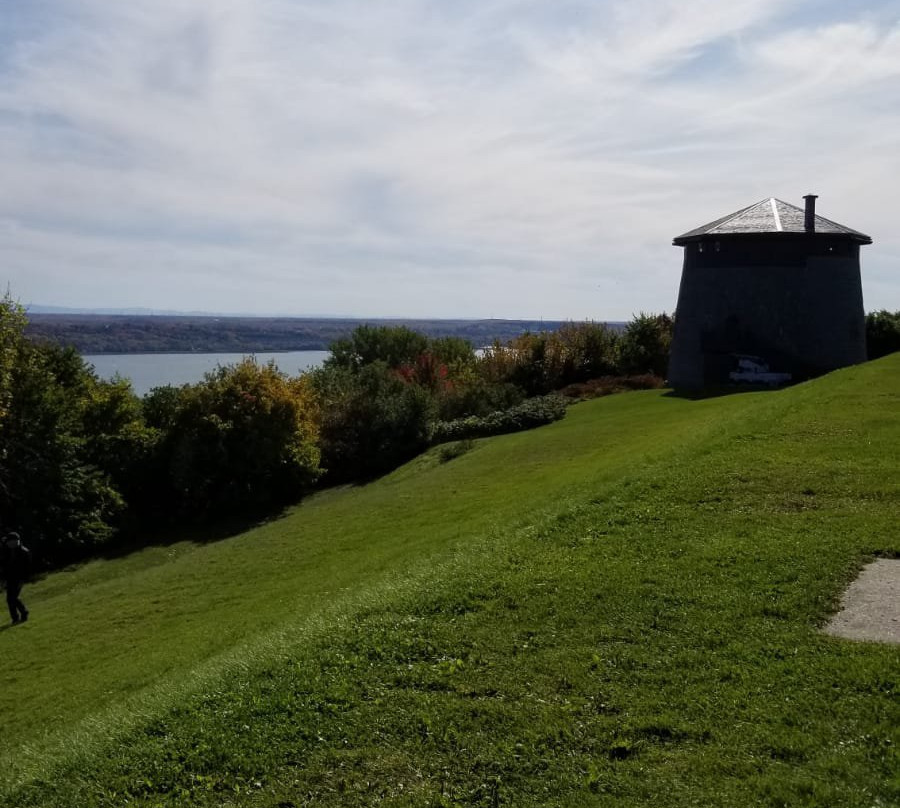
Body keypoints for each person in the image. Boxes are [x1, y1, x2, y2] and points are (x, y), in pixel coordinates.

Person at [2, 532, 31, 625]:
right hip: (10, 578)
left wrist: (23, 580)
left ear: (15, 541)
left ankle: (22, 613)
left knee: (13, 598)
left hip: (19, 579)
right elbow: (6, 567)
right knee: (10, 599)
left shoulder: (24, 552)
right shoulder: (9, 551)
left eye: (9, 542)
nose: (7, 544)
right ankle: (16, 617)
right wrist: (4, 580)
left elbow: (26, 568)